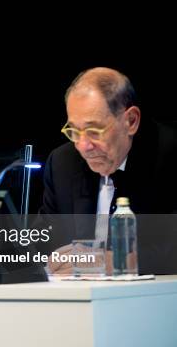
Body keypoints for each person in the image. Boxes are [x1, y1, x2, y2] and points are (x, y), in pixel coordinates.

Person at [40, 67, 177, 274]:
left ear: (131, 121)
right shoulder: (62, 164)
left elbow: (170, 251)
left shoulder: (170, 156)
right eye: (74, 131)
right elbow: (44, 243)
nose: (83, 146)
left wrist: (111, 262)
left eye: (94, 131)